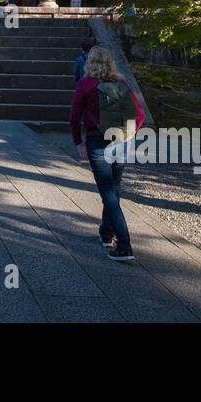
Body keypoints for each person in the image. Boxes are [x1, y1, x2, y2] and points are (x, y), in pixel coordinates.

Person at [70, 47, 144, 263]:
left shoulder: (85, 84)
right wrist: (130, 134)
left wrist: (78, 142)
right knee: (114, 189)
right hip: (121, 142)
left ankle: (124, 245)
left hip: (97, 142)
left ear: (89, 63)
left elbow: (74, 117)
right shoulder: (121, 83)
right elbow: (139, 114)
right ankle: (106, 232)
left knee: (108, 193)